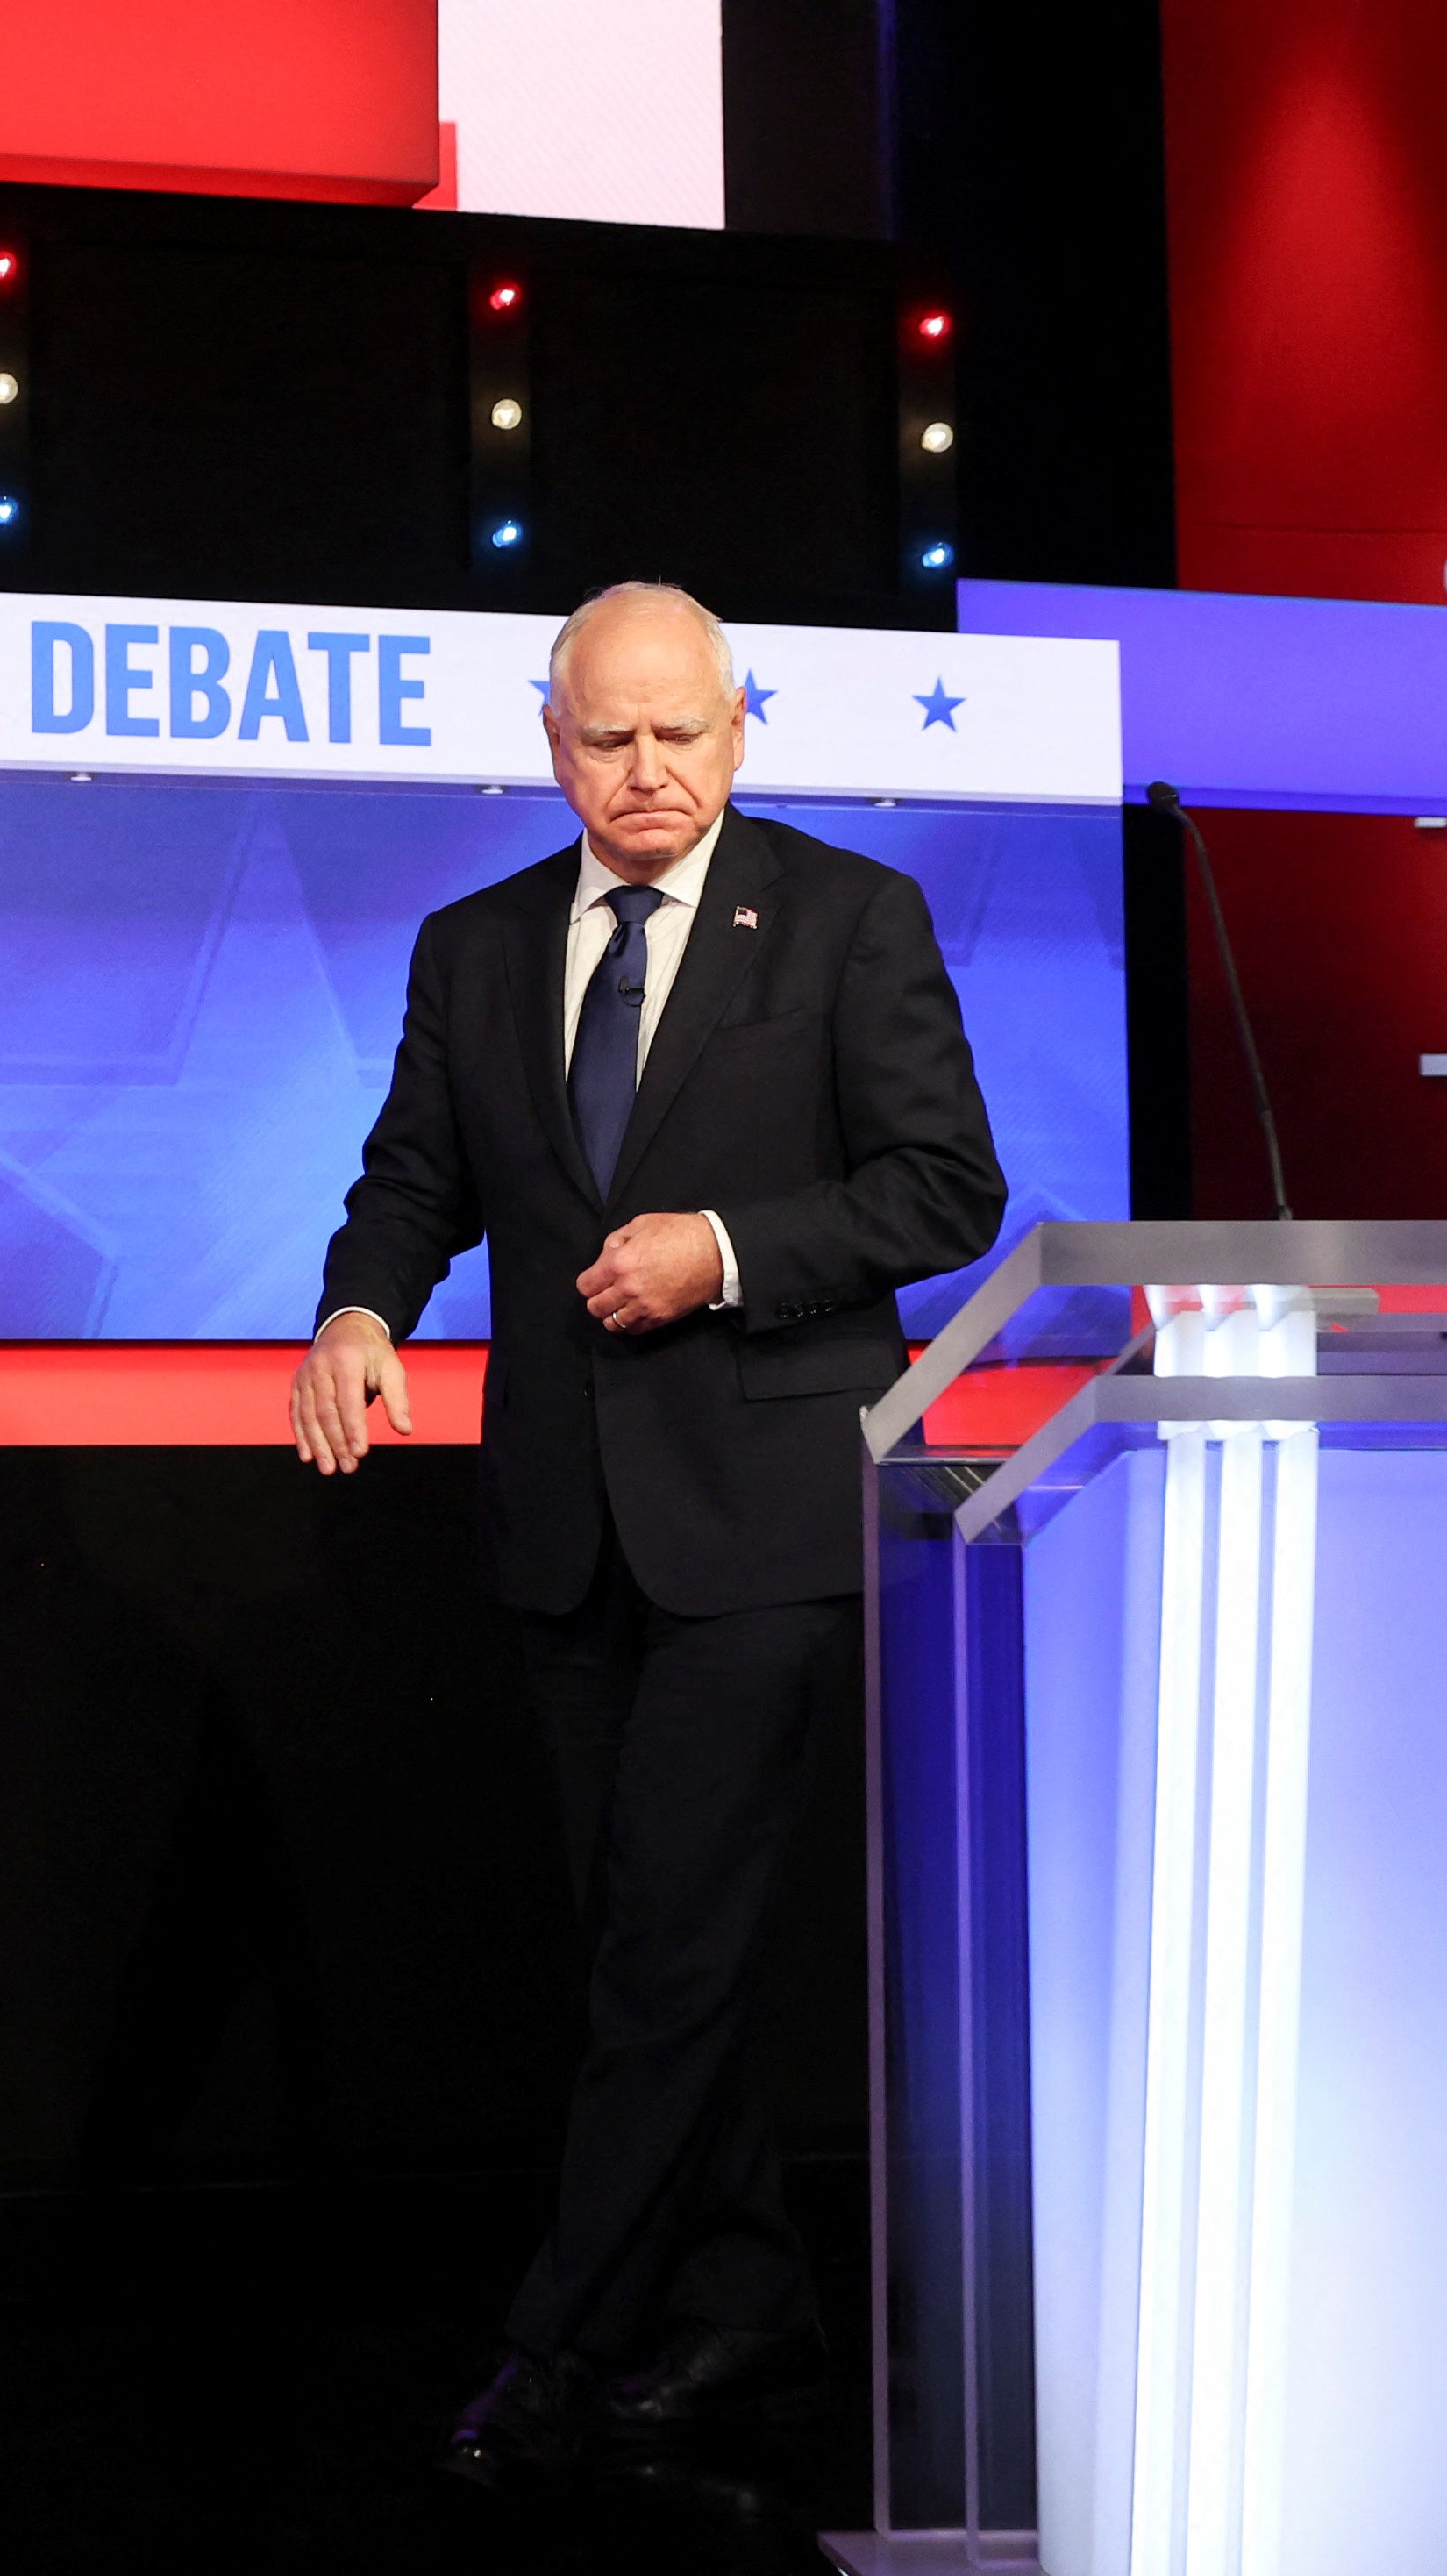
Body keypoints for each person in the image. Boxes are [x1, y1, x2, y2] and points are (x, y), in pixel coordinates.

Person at [289, 582, 1007, 2480]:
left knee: (668, 1944)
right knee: (639, 1936)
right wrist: (359, 1306)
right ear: (553, 745)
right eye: (606, 737)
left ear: (738, 728)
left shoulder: (850, 919)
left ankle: (560, 2335)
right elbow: (413, 1176)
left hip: (764, 1516)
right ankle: (743, 2300)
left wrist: (730, 1252)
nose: (645, 769)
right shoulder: (475, 945)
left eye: (678, 730)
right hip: (559, 1516)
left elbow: (947, 1184)